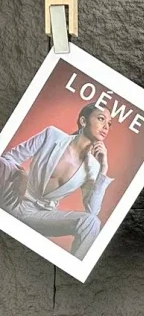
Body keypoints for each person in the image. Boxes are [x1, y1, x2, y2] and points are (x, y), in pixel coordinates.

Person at [0, 103, 114, 259]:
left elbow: (92, 211)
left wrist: (103, 169)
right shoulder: (52, 135)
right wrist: (21, 175)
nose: (106, 126)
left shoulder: (93, 167)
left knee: (92, 222)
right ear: (83, 121)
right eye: (101, 119)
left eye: (109, 123)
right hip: (14, 199)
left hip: (41, 216)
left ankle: (72, 269)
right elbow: (8, 158)